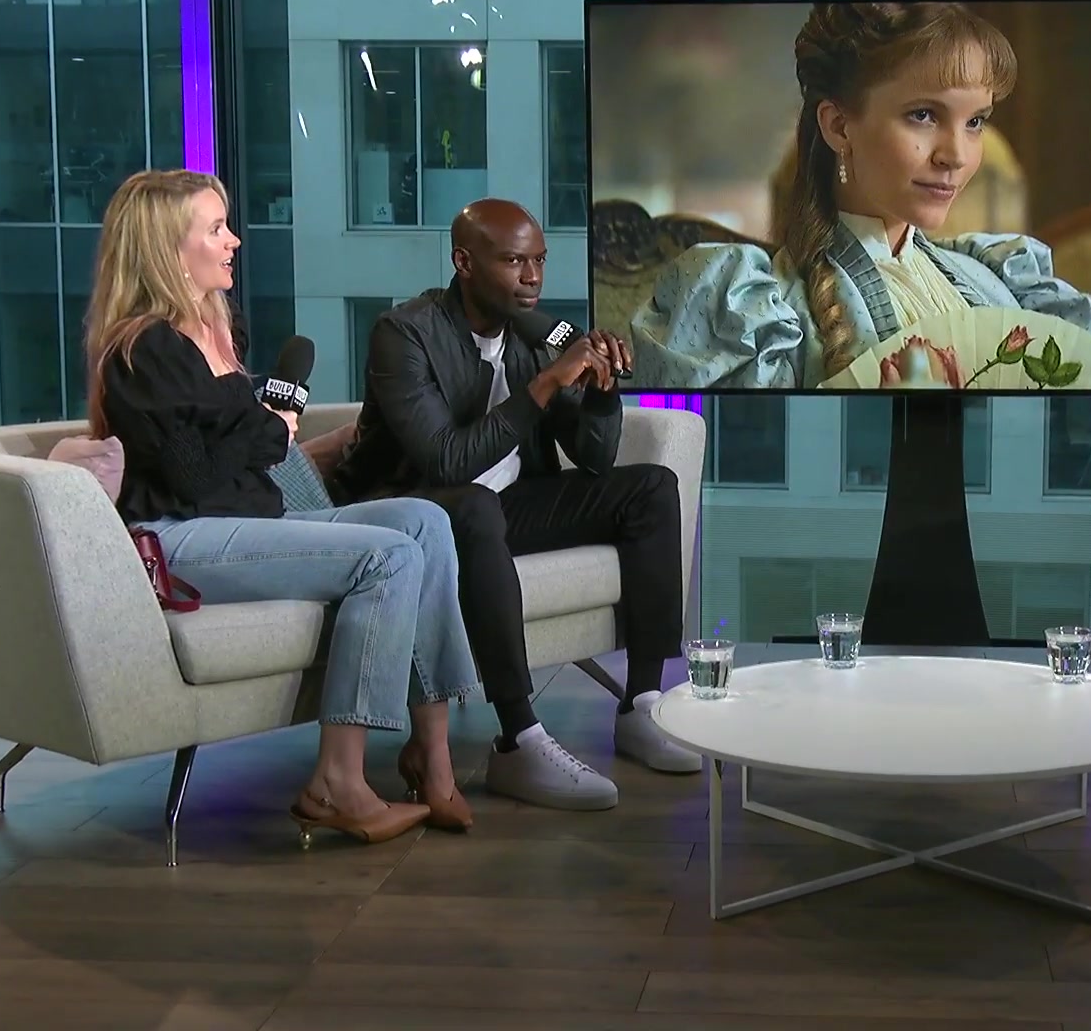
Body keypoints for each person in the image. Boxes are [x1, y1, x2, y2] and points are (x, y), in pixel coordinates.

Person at [86, 168, 481, 843]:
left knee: (425, 521)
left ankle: (432, 757)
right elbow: (192, 477)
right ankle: (337, 783)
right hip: (180, 537)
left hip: (249, 520)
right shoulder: (142, 349)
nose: (234, 241)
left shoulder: (216, 331)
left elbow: (233, 452)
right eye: (216, 229)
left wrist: (266, 432)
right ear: (166, 249)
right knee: (388, 557)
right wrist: (270, 431)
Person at [327, 199, 698, 813]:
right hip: (414, 513)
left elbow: (595, 459)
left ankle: (642, 705)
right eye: (514, 262)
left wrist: (602, 391)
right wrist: (546, 383)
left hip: (506, 507)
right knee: (475, 505)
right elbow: (445, 461)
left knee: (651, 488)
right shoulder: (405, 333)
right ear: (464, 262)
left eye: (540, 261)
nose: (532, 278)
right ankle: (519, 738)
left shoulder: (535, 335)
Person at [626, 0, 1091, 391]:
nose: (956, 155)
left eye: (975, 122)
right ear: (838, 126)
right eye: (923, 115)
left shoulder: (1003, 281)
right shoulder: (753, 312)